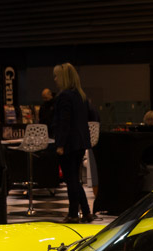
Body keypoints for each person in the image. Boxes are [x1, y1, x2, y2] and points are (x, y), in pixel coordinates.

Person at [52, 62, 93, 223]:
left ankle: (73, 214)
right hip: (80, 143)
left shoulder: (64, 96)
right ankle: (87, 212)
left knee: (71, 180)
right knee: (75, 179)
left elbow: (64, 122)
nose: (55, 79)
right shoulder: (80, 96)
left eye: (56, 76)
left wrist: (60, 144)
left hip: (69, 144)